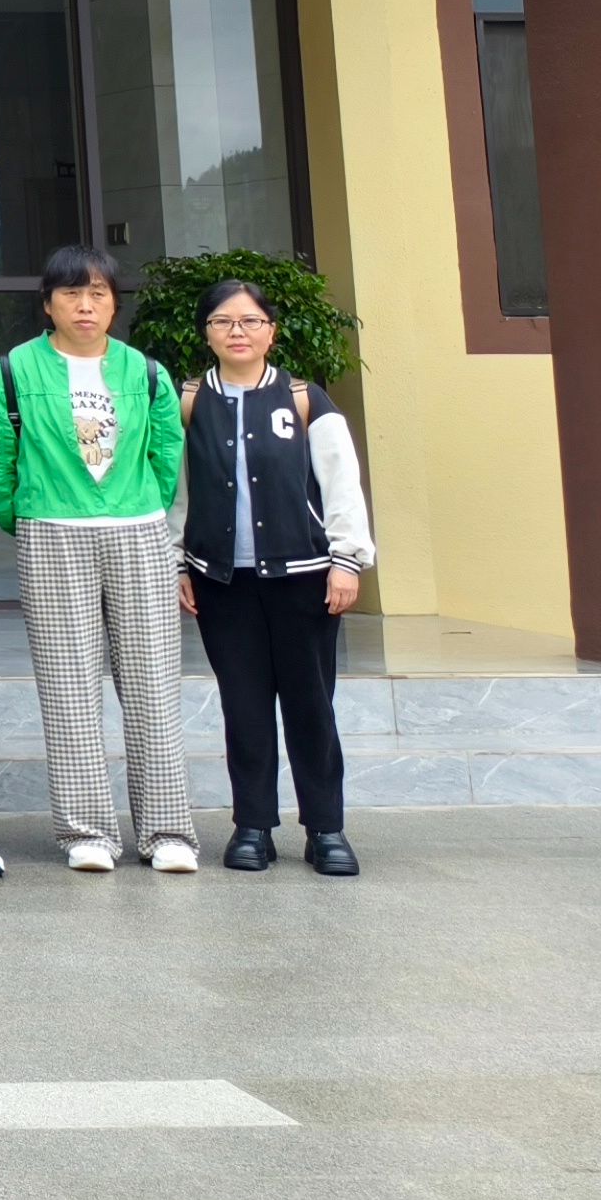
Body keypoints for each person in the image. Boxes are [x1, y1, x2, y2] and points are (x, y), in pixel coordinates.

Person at [0, 242, 196, 875]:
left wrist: (140, 508)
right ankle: (87, 833)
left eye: (98, 293)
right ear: (48, 304)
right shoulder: (15, 370)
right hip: (52, 532)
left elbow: (166, 454)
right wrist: (30, 516)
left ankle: (168, 833)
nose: (85, 305)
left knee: (154, 686)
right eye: (71, 293)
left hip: (138, 531)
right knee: (68, 688)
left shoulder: (144, 372)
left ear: (114, 304)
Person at [177, 275, 372, 878]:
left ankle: (326, 828)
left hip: (304, 579)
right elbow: (175, 492)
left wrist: (347, 560)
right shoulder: (188, 402)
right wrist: (178, 561)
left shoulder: (306, 398)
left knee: (311, 706)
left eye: (250, 321)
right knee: (244, 707)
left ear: (271, 332)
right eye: (223, 321)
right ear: (207, 333)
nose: (237, 332)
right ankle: (253, 826)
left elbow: (342, 485)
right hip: (222, 583)